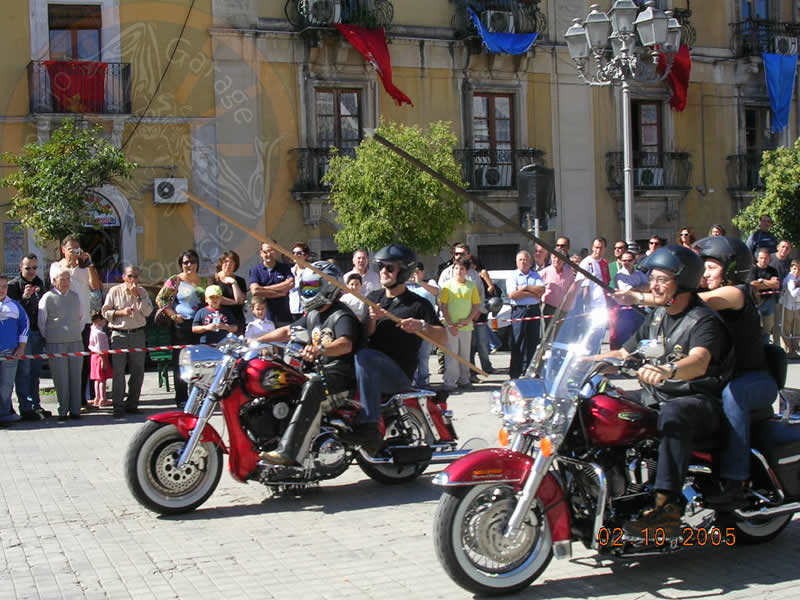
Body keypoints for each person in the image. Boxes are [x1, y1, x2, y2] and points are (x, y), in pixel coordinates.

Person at [601, 245, 733, 537]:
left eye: (662, 279)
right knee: (606, 406)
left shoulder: (703, 320)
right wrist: (580, 360)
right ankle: (612, 493)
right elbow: (623, 353)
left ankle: (667, 508)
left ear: (682, 282)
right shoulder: (658, 316)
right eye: (653, 279)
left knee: (674, 413)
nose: (654, 286)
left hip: (696, 399)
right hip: (657, 395)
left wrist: (667, 370)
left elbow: (699, 361)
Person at [685, 236, 779, 506]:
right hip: (721, 378)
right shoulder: (703, 299)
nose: (704, 273)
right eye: (702, 267)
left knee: (733, 395)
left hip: (754, 381)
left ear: (732, 269)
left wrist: (646, 296)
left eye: (711, 267)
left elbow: (692, 301)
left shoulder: (737, 293)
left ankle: (735, 482)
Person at [257, 261, 360, 465]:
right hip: (321, 372)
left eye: (312, 287)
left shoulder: (342, 315)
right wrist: (255, 340)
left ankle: (289, 452)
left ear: (328, 287)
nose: (307, 292)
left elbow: (345, 344)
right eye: (305, 287)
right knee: (279, 379)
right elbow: (287, 331)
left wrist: (320, 349)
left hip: (339, 376)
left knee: (313, 384)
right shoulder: (313, 315)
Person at [353, 244, 446, 449]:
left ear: (403, 271)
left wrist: (421, 326)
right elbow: (365, 335)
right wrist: (371, 319)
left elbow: (443, 338)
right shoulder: (373, 298)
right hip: (370, 369)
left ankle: (370, 426)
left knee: (365, 357)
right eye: (381, 267)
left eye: (390, 267)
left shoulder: (418, 305)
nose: (383, 271)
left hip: (398, 374)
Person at [49, 235, 101, 406]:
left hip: (83, 320)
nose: (74, 252)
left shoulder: (85, 267)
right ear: (63, 250)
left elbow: (95, 286)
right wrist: (70, 266)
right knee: (66, 363)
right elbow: (59, 283)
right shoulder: (56, 267)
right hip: (64, 322)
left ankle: (82, 399)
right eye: (71, 249)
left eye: (77, 249)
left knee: (83, 361)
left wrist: (89, 264)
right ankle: (67, 400)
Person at [156, 249, 208, 409]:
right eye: (186, 262)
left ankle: (199, 396)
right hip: (181, 326)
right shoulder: (175, 280)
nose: (189, 265)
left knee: (200, 362)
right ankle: (181, 397)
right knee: (181, 362)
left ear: (197, 263)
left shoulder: (205, 281)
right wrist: (173, 316)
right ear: (181, 264)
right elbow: (160, 299)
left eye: (192, 261)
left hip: (200, 325)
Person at [102, 265, 153, 418]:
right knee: (118, 372)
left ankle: (132, 403)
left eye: (136, 276)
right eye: (130, 276)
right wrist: (120, 313)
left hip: (137, 334)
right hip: (119, 335)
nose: (133, 279)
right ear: (124, 277)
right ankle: (118, 405)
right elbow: (105, 312)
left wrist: (138, 296)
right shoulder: (114, 291)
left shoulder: (142, 291)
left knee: (138, 371)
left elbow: (148, 312)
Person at [8, 253, 50, 420]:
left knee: (35, 372)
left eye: (34, 267)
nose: (32, 271)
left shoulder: (39, 283)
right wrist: (24, 298)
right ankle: (25, 408)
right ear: (20, 268)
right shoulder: (13, 286)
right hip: (23, 336)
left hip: (37, 332)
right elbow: (12, 312)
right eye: (28, 268)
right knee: (23, 372)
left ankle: (36, 406)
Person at [39, 270, 84, 421]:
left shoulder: (75, 296)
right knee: (61, 378)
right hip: (56, 342)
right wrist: (53, 336)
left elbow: (80, 317)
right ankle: (63, 410)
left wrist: (73, 332)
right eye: (62, 279)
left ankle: (75, 410)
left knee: (75, 376)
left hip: (75, 341)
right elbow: (42, 322)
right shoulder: (47, 297)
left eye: (67, 279)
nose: (65, 282)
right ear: (54, 281)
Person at [439, 258, 481, 393]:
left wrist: (469, 319)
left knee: (464, 354)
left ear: (467, 271)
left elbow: (476, 305)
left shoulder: (471, 285)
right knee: (451, 355)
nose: (458, 271)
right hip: (451, 326)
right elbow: (443, 306)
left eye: (462, 268)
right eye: (456, 268)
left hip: (466, 326)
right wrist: (450, 324)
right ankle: (450, 382)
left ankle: (464, 379)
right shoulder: (447, 285)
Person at [506, 250, 545, 379]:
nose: (523, 262)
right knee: (517, 342)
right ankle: (515, 374)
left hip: (533, 310)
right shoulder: (513, 276)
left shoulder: (536, 275)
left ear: (530, 262)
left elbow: (541, 290)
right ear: (517, 262)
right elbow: (513, 295)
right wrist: (533, 292)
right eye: (520, 260)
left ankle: (529, 372)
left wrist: (524, 287)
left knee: (533, 342)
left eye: (525, 259)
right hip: (519, 311)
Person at [0, 275, 28, 425]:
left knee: (6, 385)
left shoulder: (15, 306)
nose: (2, 289)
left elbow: (25, 325)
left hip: (10, 352)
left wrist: (21, 347)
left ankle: (4, 414)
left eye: (4, 286)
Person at [407, 262, 439, 388]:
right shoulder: (405, 285)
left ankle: (424, 380)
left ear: (422, 272)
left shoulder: (430, 283)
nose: (414, 274)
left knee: (424, 355)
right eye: (412, 271)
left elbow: (436, 292)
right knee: (412, 354)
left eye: (417, 271)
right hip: (410, 325)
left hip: (426, 325)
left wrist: (420, 282)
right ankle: (413, 380)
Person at [249, 242, 294, 327]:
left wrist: (263, 289)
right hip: (264, 318)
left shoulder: (285, 268)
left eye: (271, 251)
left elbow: (291, 283)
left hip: (283, 316)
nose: (268, 254)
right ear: (261, 253)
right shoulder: (255, 270)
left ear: (276, 252)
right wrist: (279, 293)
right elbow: (255, 291)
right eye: (265, 252)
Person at [610, 251, 649, 349]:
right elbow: (627, 292)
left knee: (640, 336)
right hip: (626, 311)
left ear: (634, 261)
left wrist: (634, 289)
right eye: (624, 260)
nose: (626, 263)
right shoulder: (619, 275)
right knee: (625, 339)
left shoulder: (639, 274)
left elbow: (648, 287)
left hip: (639, 309)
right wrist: (640, 288)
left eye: (629, 260)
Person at [539, 248, 576, 339]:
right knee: (547, 334)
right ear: (551, 258)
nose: (557, 260)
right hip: (549, 308)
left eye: (559, 258)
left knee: (560, 334)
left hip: (564, 309)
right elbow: (538, 289)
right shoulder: (545, 272)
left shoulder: (569, 272)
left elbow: (572, 290)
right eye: (554, 257)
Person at [750, 247, 780, 342]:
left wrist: (761, 281)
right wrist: (770, 283)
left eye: (766, 258)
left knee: (767, 329)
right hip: (755, 302)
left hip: (769, 302)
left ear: (769, 258)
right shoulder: (752, 269)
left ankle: (765, 348)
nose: (764, 260)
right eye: (761, 258)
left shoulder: (773, 270)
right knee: (754, 328)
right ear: (757, 258)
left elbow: (776, 285)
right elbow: (753, 284)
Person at [213, 251, 246, 333]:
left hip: (237, 319)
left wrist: (234, 283)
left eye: (232, 262)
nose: (228, 264)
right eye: (226, 261)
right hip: (219, 319)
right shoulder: (213, 279)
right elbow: (216, 298)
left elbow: (240, 300)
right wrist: (235, 302)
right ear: (221, 263)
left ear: (235, 265)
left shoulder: (240, 281)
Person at [577, 237, 610, 312]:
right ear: (592, 248)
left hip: (604, 303)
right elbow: (583, 285)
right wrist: (587, 305)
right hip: (591, 305)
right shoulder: (586, 263)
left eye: (601, 248)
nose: (598, 250)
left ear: (605, 249)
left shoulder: (605, 263)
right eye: (596, 247)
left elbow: (607, 282)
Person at [770, 240, 793, 346]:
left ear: (790, 250)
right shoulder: (769, 258)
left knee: (779, 323)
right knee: (767, 323)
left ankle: (779, 346)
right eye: (783, 246)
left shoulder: (790, 263)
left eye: (787, 248)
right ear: (778, 247)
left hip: (783, 297)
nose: (784, 249)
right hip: (768, 296)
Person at [88, 313, 112, 408]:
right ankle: (103, 398)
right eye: (103, 320)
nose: (105, 321)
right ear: (98, 321)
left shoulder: (92, 331)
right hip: (101, 356)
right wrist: (103, 360)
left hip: (94, 357)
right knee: (102, 379)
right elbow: (100, 348)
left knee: (97, 379)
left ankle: (97, 397)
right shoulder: (100, 334)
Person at [781, 260, 800, 356]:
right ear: (791, 269)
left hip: (797, 306)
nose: (797, 271)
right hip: (788, 306)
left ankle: (795, 350)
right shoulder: (789, 278)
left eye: (799, 269)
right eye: (795, 269)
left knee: (797, 329)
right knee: (786, 329)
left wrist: (798, 286)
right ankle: (786, 350)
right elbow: (793, 293)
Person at [288, 242, 311, 321]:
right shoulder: (289, 271)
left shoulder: (310, 271)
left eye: (299, 253)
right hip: (291, 310)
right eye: (293, 253)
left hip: (305, 310)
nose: (295, 255)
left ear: (306, 255)